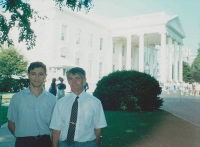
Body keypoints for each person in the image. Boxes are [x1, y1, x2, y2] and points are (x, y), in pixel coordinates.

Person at [50, 67, 107, 147]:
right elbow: (56, 129)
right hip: (65, 144)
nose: (74, 82)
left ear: (84, 80)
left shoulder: (95, 103)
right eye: (70, 79)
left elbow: (98, 129)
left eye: (77, 78)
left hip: (87, 144)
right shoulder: (60, 103)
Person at [7, 61, 57, 147]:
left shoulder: (52, 99)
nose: (37, 77)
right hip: (23, 142)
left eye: (41, 74)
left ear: (45, 76)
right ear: (28, 75)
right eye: (33, 74)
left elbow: (55, 125)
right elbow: (11, 123)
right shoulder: (17, 98)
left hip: (45, 142)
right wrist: (21, 138)